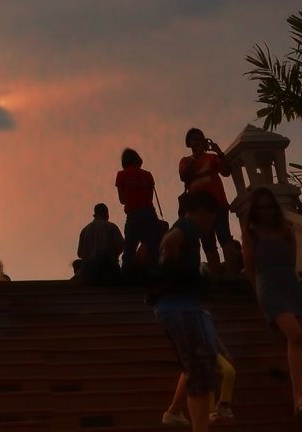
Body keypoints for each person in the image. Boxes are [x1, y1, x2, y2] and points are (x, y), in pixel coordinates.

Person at [242, 187, 302, 418]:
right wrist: (257, 292)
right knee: (295, 335)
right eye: (260, 207)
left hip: (289, 282)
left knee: (299, 341)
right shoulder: (251, 233)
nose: (264, 211)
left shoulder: (286, 229)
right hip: (268, 285)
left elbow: (292, 259)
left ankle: (301, 398)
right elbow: (249, 267)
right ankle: (300, 398)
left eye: (268, 206)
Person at [156, 191, 224, 432]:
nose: (213, 221)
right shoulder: (187, 226)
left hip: (178, 307)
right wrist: (176, 272)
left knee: (198, 369)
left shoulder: (187, 229)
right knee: (198, 372)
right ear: (201, 211)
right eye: (212, 215)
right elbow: (169, 241)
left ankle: (178, 415)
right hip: (180, 308)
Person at [179, 130, 240, 275]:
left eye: (200, 139)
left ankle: (232, 277)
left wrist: (219, 152)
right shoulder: (186, 161)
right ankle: (216, 278)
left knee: (225, 238)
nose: (197, 142)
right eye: (194, 140)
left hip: (218, 203)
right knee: (208, 243)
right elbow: (184, 176)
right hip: (198, 209)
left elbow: (226, 171)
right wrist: (197, 155)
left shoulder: (212, 158)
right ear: (188, 143)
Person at [115, 148, 160, 274]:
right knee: (152, 246)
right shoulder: (148, 175)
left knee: (129, 247)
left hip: (133, 214)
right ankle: (156, 275)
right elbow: (150, 197)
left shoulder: (121, 175)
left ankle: (126, 276)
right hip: (148, 213)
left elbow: (122, 200)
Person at [75, 204, 124, 283]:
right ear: (106, 214)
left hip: (89, 273)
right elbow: (121, 245)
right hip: (108, 271)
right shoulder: (111, 227)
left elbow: (80, 253)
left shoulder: (85, 231)